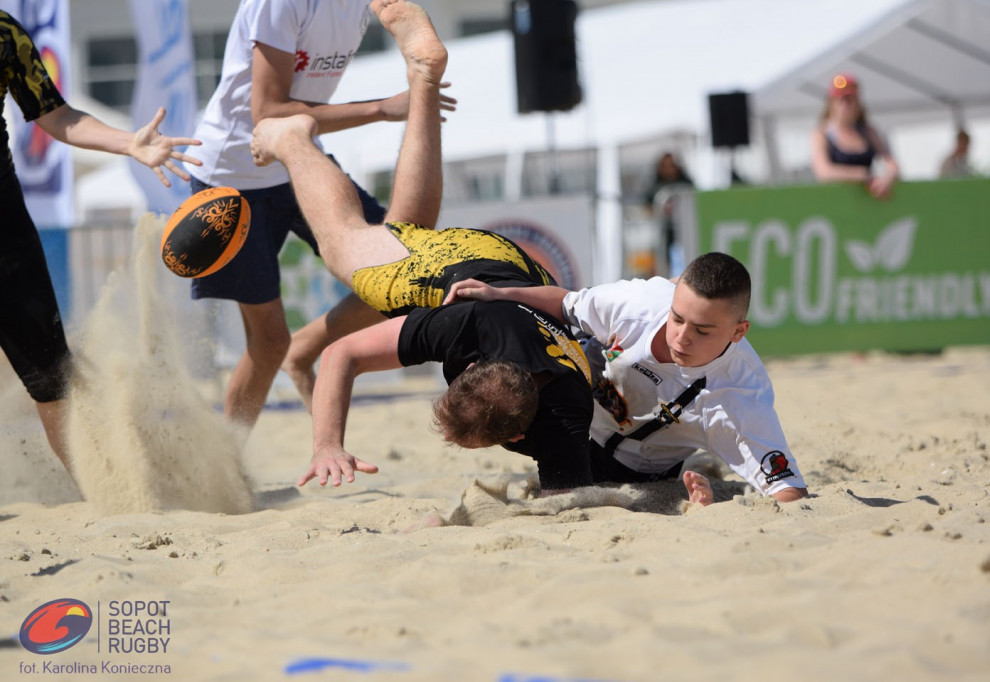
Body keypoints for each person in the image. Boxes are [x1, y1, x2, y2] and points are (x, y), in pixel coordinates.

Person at [249, 0, 658, 500]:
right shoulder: (466, 333)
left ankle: (423, 79)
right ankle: (295, 142)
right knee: (344, 245)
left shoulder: (564, 414)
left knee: (405, 229)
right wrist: (327, 445)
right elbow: (343, 357)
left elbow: (570, 505)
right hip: (466, 284)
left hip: (505, 262)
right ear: (468, 369)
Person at [187, 0, 455, 429]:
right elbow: (267, 114)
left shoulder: (363, 5)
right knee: (268, 343)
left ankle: (307, 346)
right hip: (233, 176)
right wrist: (383, 109)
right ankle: (225, 470)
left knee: (404, 270)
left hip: (298, 157)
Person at [1, 9, 201, 483]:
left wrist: (129, 143)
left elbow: (56, 115)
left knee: (51, 375)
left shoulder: (5, 32)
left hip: (4, 226)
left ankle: (106, 491)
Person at [445, 252, 810, 504]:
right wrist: (499, 293)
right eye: (678, 318)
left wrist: (714, 507)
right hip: (575, 413)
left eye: (702, 330)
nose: (681, 337)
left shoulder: (741, 396)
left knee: (569, 498)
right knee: (490, 403)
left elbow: (789, 492)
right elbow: (566, 303)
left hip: (630, 470)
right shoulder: (642, 301)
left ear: (738, 332)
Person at [810, 73, 899, 200]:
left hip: (868, 201)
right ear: (831, 103)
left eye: (850, 99)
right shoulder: (822, 133)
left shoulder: (868, 132)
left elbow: (891, 163)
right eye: (841, 100)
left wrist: (886, 178)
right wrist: (863, 175)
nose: (845, 105)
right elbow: (823, 172)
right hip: (836, 201)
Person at [644, 151, 694, 277]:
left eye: (671, 165)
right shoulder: (655, 186)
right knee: (663, 262)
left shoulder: (686, 183)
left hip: (686, 230)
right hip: (664, 232)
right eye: (665, 165)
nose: (669, 169)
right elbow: (648, 207)